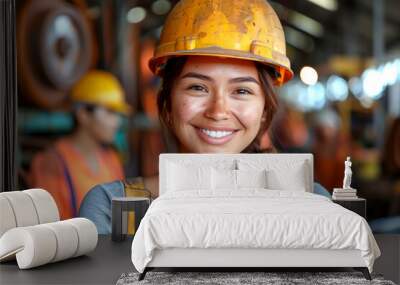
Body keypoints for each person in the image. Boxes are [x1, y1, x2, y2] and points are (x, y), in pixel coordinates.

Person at [79, 0, 330, 234]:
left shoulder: (311, 201)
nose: (218, 111)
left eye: (241, 91)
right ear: (167, 102)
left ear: (265, 110)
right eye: (197, 87)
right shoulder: (112, 209)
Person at [29, 70, 130, 220]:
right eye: (110, 112)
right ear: (83, 114)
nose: (117, 122)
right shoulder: (52, 163)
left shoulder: (112, 160)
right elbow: (51, 229)